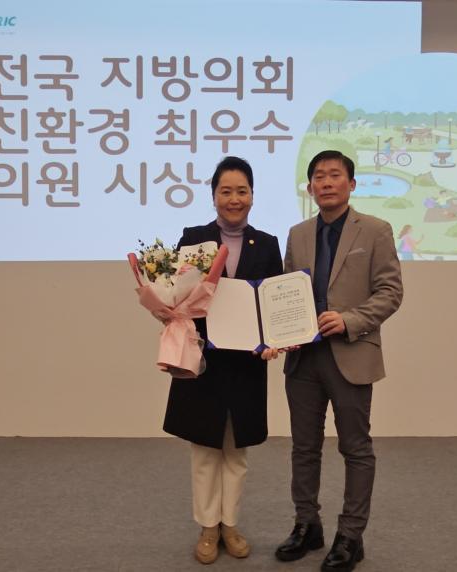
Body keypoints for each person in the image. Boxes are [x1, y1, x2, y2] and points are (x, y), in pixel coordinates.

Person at [274, 150, 403, 571]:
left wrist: (349, 320)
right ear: (310, 187)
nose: (326, 182)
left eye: (334, 175)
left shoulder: (376, 230)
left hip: (351, 353)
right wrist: (278, 332)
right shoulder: (297, 234)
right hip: (303, 359)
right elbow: (284, 293)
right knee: (304, 447)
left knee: (356, 448)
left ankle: (350, 535)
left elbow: (390, 292)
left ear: (352, 183)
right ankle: (307, 524)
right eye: (318, 176)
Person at [162, 156, 283, 565]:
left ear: (252, 196)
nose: (234, 199)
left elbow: (273, 305)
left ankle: (230, 524)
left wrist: (273, 340)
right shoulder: (194, 239)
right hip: (204, 363)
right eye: (226, 191)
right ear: (213, 195)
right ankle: (207, 527)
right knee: (204, 450)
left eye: (242, 191)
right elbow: (177, 295)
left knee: (236, 452)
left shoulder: (267, 244)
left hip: (247, 364)